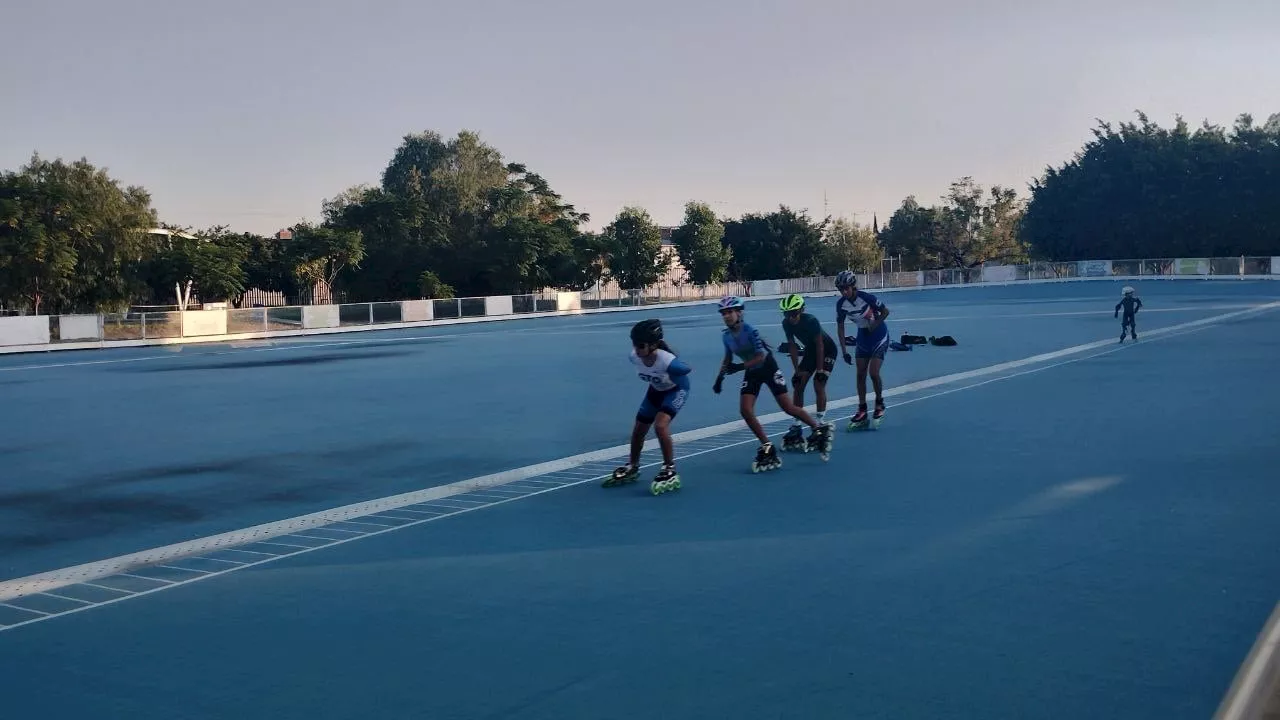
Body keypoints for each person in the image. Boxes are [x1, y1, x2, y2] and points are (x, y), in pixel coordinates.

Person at [712, 295, 831, 471]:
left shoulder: (750, 331)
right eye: (723, 313)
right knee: (745, 410)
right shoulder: (726, 337)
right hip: (751, 372)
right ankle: (766, 445)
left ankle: (817, 428)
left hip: (767, 368)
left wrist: (739, 367)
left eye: (729, 312)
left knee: (788, 407)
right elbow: (727, 358)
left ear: (739, 312)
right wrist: (719, 379)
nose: (726, 316)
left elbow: (760, 356)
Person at [605, 318, 689, 494]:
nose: (636, 349)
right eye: (635, 344)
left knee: (660, 426)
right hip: (656, 391)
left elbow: (686, 369)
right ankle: (633, 465)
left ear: (653, 345)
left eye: (641, 345)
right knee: (638, 430)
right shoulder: (634, 357)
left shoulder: (667, 360)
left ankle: (669, 467)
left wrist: (677, 369)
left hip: (676, 390)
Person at [777, 293, 837, 451]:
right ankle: (797, 424)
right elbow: (792, 346)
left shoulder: (811, 321)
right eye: (787, 314)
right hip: (811, 351)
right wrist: (796, 371)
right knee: (799, 384)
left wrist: (820, 370)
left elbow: (820, 346)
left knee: (819, 384)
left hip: (827, 350)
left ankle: (820, 422)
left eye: (794, 313)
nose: (791, 318)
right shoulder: (786, 324)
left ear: (801, 310)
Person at [833, 270, 890, 429]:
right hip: (863, 338)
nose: (844, 292)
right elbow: (840, 327)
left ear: (853, 286)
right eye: (840, 289)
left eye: (846, 288)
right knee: (860, 375)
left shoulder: (867, 298)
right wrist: (844, 351)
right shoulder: (841, 305)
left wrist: (875, 324)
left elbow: (885, 311)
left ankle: (879, 403)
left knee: (873, 373)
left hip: (879, 336)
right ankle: (862, 409)